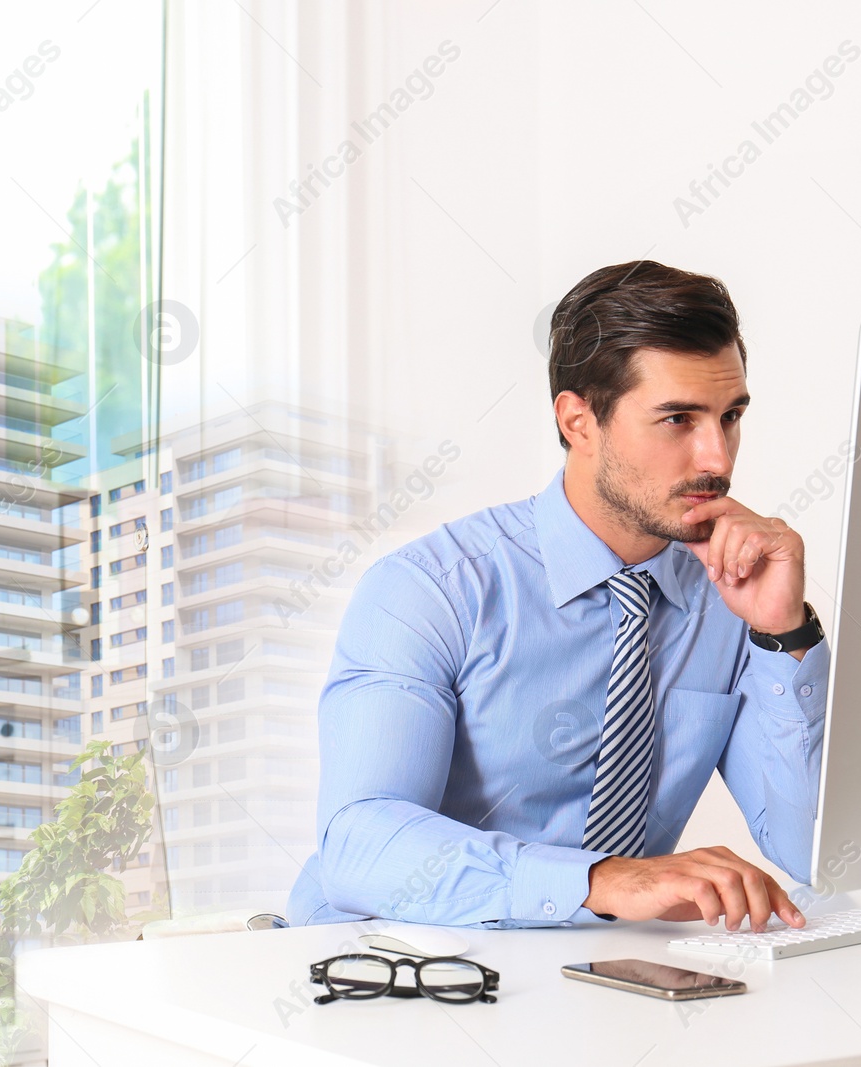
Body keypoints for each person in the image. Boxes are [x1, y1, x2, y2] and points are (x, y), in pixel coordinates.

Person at [287, 260, 828, 933]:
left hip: (590, 984)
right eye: (678, 419)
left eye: (730, 415)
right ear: (578, 421)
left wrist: (784, 634)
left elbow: (818, 850)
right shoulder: (434, 589)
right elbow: (360, 844)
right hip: (384, 971)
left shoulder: (734, 594)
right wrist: (598, 880)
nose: (717, 457)